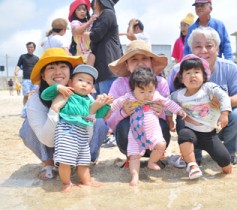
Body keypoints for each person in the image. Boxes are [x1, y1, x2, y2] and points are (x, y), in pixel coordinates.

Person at [19, 48, 109, 181]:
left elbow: (88, 135)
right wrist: (54, 108)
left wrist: (92, 111)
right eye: (51, 68)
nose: (58, 72)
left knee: (100, 123)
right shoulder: (36, 99)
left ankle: (85, 162)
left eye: (63, 66)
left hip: (78, 139)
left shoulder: (83, 94)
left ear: (70, 73)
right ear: (43, 75)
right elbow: (48, 141)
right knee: (27, 126)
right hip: (51, 140)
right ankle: (48, 164)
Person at [168, 26, 237, 165]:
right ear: (191, 49)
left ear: (218, 49)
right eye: (198, 46)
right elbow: (169, 100)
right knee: (182, 118)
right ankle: (193, 156)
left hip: (220, 123)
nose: (204, 51)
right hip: (192, 124)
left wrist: (221, 102)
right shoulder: (178, 70)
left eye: (209, 46)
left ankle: (229, 152)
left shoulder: (230, 68)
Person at [107, 67, 185, 186]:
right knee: (134, 156)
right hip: (135, 133)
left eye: (150, 91)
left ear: (154, 88)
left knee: (161, 144)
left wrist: (179, 111)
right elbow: (116, 104)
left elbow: (168, 103)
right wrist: (107, 112)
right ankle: (135, 176)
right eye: (142, 92)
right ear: (134, 90)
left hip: (153, 132)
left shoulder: (156, 96)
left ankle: (152, 161)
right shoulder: (129, 97)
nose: (146, 95)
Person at [41, 64, 112, 192]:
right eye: (80, 80)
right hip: (66, 130)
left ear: (92, 88)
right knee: (65, 160)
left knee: (83, 161)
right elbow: (45, 95)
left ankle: (86, 182)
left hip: (82, 133)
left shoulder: (89, 100)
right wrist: (57, 87)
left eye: (88, 82)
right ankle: (66, 183)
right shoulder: (68, 94)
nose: (84, 84)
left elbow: (99, 114)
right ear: (70, 82)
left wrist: (106, 105)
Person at [107, 40, 171, 164]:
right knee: (124, 124)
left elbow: (169, 114)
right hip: (129, 140)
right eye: (134, 59)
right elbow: (109, 120)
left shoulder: (161, 82)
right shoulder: (119, 84)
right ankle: (130, 157)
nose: (140, 63)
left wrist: (160, 112)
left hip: (155, 136)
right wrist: (123, 112)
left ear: (151, 62)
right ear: (126, 65)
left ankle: (156, 156)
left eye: (144, 58)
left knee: (162, 124)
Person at [169, 54, 232, 179]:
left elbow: (223, 96)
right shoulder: (177, 95)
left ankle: (227, 172)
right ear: (181, 78)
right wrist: (169, 119)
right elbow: (167, 105)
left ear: (204, 76)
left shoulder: (208, 88)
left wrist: (225, 113)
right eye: (188, 73)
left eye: (196, 72)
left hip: (210, 135)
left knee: (225, 160)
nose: (192, 75)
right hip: (191, 133)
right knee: (184, 134)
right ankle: (192, 166)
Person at [89, 0, 122, 95]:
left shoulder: (107, 13)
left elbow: (95, 35)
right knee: (99, 108)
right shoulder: (105, 16)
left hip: (107, 71)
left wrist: (82, 34)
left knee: (108, 106)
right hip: (100, 72)